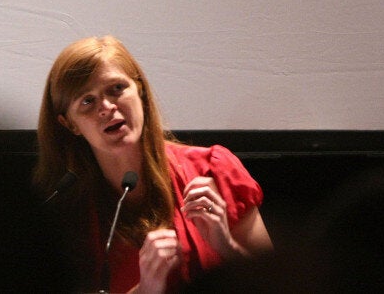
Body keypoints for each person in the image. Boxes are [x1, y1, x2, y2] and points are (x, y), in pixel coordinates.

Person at [33, 35, 273, 293]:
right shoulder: (63, 208)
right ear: (69, 124)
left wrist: (225, 246)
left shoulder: (213, 170)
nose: (106, 107)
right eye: (87, 101)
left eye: (116, 89)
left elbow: (280, 284)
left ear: (141, 91)